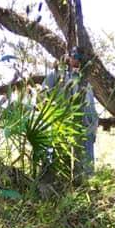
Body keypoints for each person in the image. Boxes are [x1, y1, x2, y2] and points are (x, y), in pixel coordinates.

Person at [43, 48, 99, 178]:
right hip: (63, 125)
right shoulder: (56, 75)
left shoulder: (85, 80)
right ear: (68, 57)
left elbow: (90, 103)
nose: (77, 60)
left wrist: (95, 123)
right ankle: (61, 186)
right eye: (75, 57)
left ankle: (86, 185)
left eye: (80, 58)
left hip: (86, 127)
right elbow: (43, 94)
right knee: (62, 163)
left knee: (86, 165)